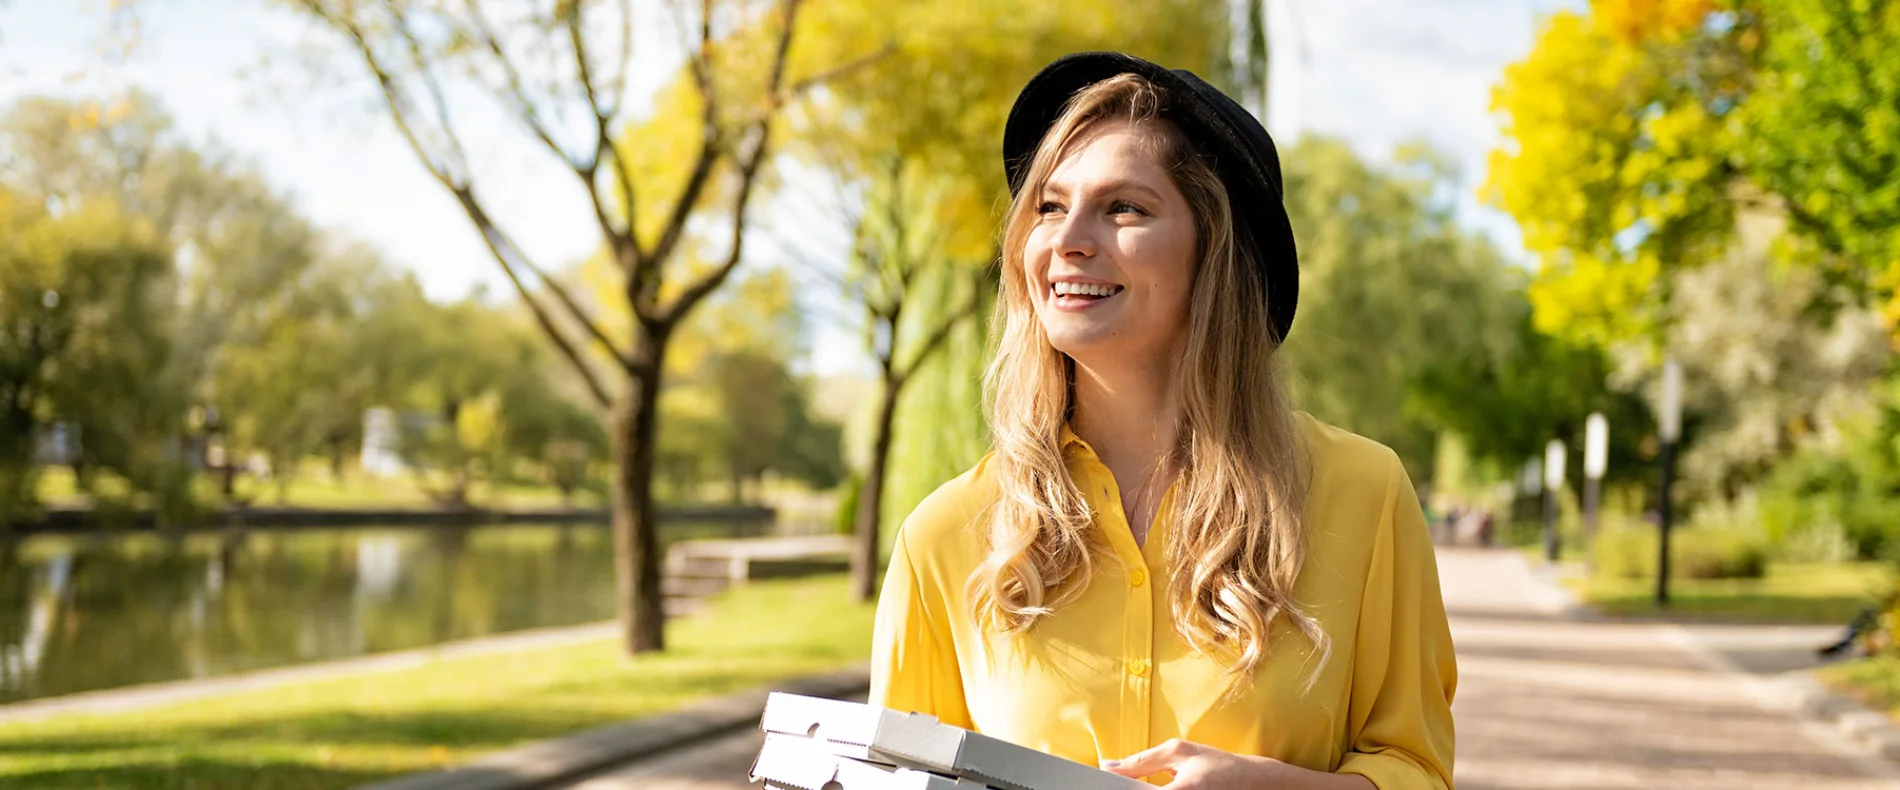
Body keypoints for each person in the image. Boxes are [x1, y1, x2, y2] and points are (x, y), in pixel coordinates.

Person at [869, 52, 1456, 789]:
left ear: (1213, 250)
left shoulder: (1363, 493)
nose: (1069, 239)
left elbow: (1416, 766)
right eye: (1049, 206)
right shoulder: (945, 535)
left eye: (1125, 208)